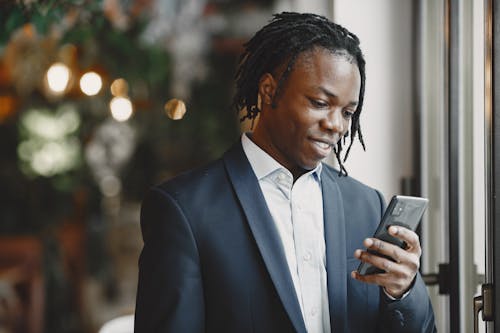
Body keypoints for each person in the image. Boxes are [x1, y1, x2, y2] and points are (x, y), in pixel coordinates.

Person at [134, 12, 436, 333]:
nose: (336, 125)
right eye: (320, 102)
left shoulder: (367, 205)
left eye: (348, 112)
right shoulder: (184, 210)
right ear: (268, 91)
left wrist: (402, 291)